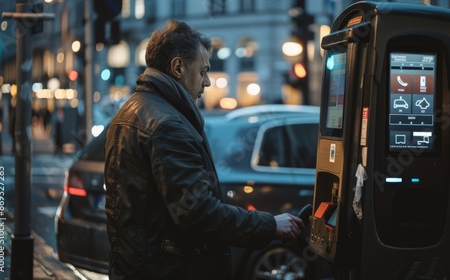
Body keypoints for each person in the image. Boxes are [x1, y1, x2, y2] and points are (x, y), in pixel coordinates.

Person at [104, 19, 304, 279]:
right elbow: (198, 214)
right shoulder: (168, 125)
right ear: (178, 67)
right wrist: (270, 225)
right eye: (202, 71)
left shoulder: (129, 111)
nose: (207, 82)